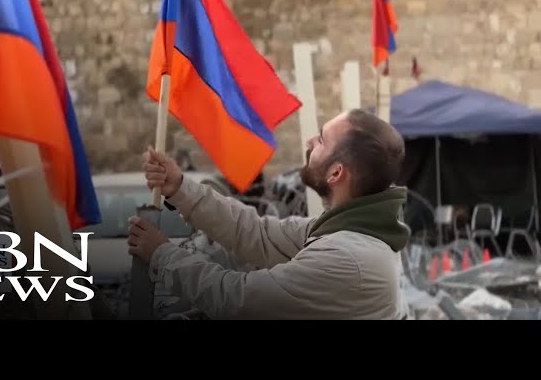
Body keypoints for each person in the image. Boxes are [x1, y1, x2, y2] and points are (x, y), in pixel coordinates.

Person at [127, 108, 411, 319]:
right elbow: (257, 233)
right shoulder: (343, 233)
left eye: (322, 140)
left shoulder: (347, 258)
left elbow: (237, 299)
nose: (310, 141)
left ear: (336, 173)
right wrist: (179, 188)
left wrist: (161, 255)